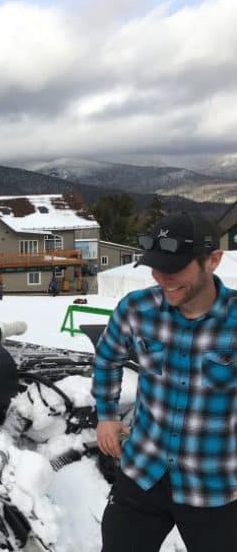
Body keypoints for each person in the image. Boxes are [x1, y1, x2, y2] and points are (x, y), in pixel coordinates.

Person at [91, 212, 236, 552]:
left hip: (214, 487)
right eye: (156, 267)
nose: (163, 278)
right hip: (143, 470)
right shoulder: (137, 308)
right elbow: (107, 358)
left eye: (175, 268)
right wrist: (106, 416)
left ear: (213, 260)